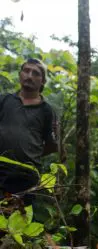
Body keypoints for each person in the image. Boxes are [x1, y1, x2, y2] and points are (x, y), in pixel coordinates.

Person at [0, 58, 58, 202]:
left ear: (43, 81)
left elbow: (52, 145)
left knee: (19, 220)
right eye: (26, 71)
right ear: (20, 75)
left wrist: (29, 154)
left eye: (36, 73)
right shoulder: (4, 101)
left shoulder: (46, 111)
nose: (29, 76)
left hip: (26, 176)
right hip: (0, 170)